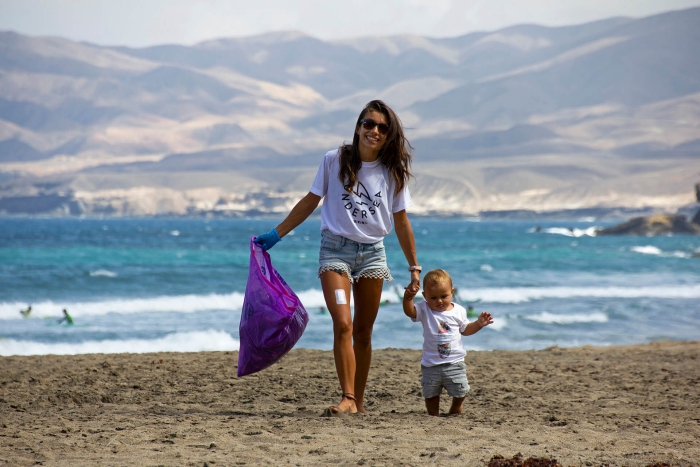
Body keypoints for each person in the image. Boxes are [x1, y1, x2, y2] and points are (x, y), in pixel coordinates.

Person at [254, 100, 420, 415]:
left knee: (363, 331)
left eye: (382, 128)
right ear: (358, 126)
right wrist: (278, 234)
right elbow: (311, 200)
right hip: (335, 251)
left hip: (373, 254)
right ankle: (348, 398)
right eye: (369, 124)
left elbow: (401, 221)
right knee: (343, 323)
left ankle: (357, 402)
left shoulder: (392, 172)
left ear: (388, 135)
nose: (374, 131)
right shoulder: (334, 161)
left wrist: (414, 267)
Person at [403, 269, 493, 416]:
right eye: (433, 297)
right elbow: (410, 312)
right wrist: (407, 299)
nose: (439, 301)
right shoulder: (424, 309)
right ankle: (434, 415)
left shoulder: (458, 311)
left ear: (452, 292)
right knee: (430, 393)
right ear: (425, 296)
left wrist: (478, 323)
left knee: (460, 390)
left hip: (454, 362)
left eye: (444, 296)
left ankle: (456, 407)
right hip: (431, 363)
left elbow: (466, 330)